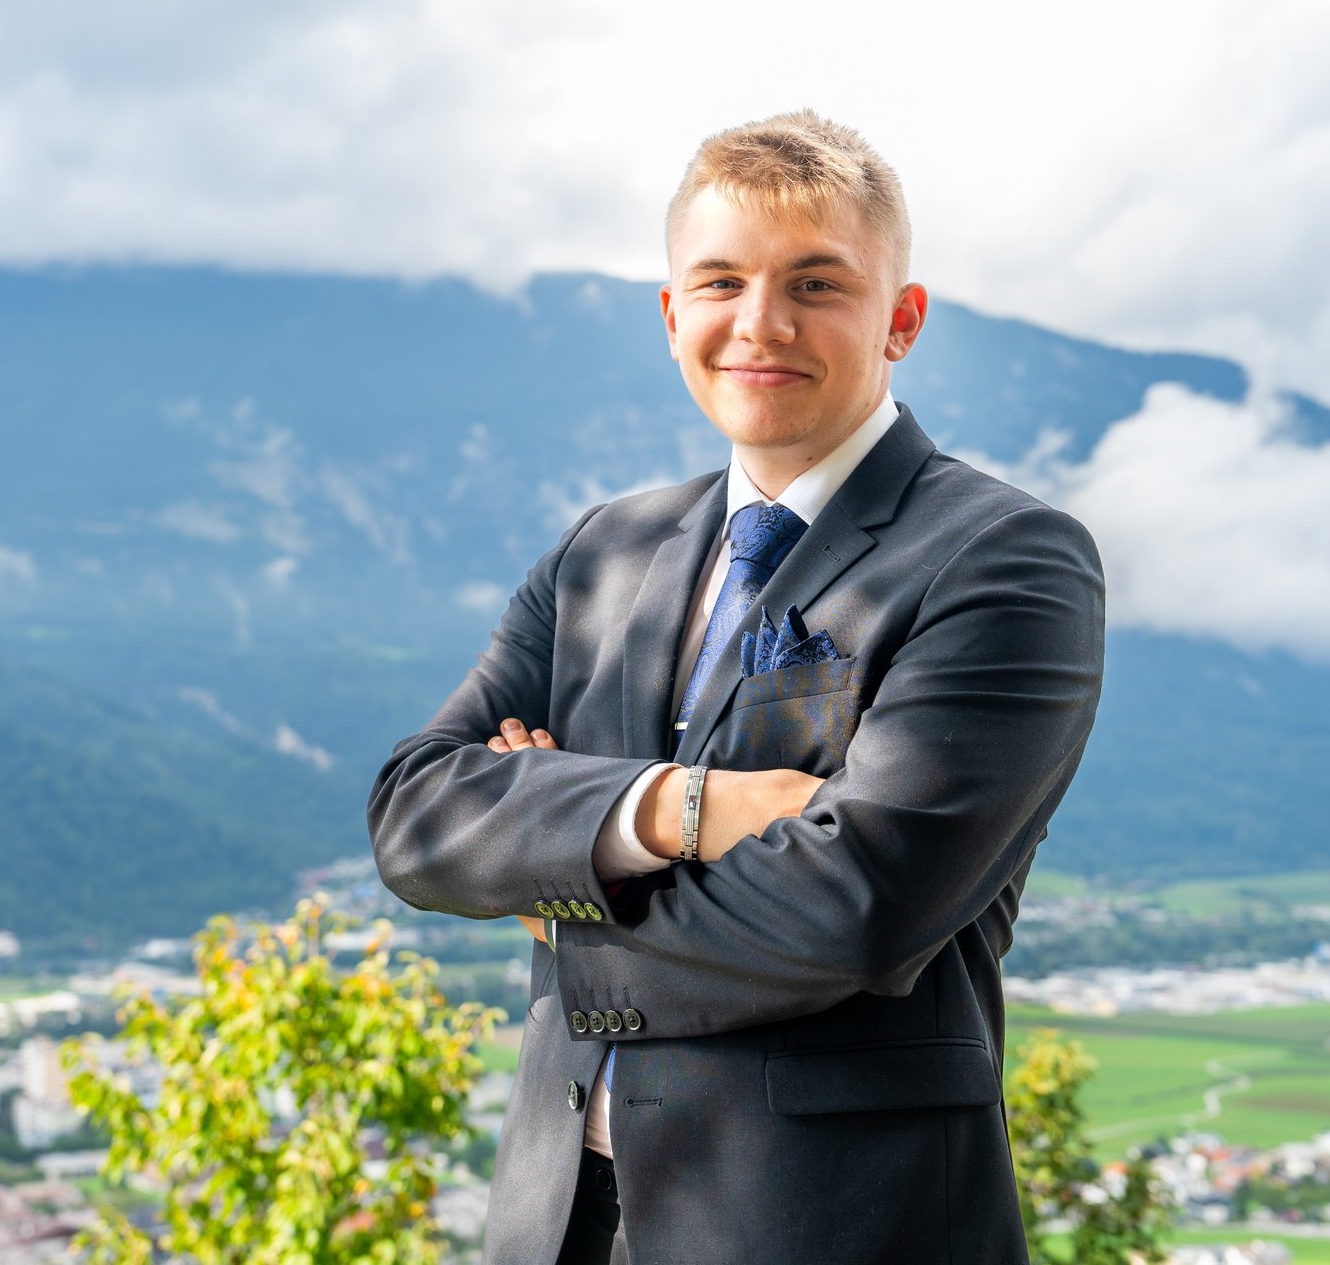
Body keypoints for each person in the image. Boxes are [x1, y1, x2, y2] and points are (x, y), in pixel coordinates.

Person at [367, 109, 1105, 1265]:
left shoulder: (1005, 557)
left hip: (833, 1227)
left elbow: (858, 909)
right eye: (720, 282)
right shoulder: (603, 551)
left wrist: (561, 881)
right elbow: (416, 814)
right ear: (672, 317)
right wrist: (676, 809)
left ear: (900, 319)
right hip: (559, 1217)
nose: (761, 323)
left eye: (817, 283)